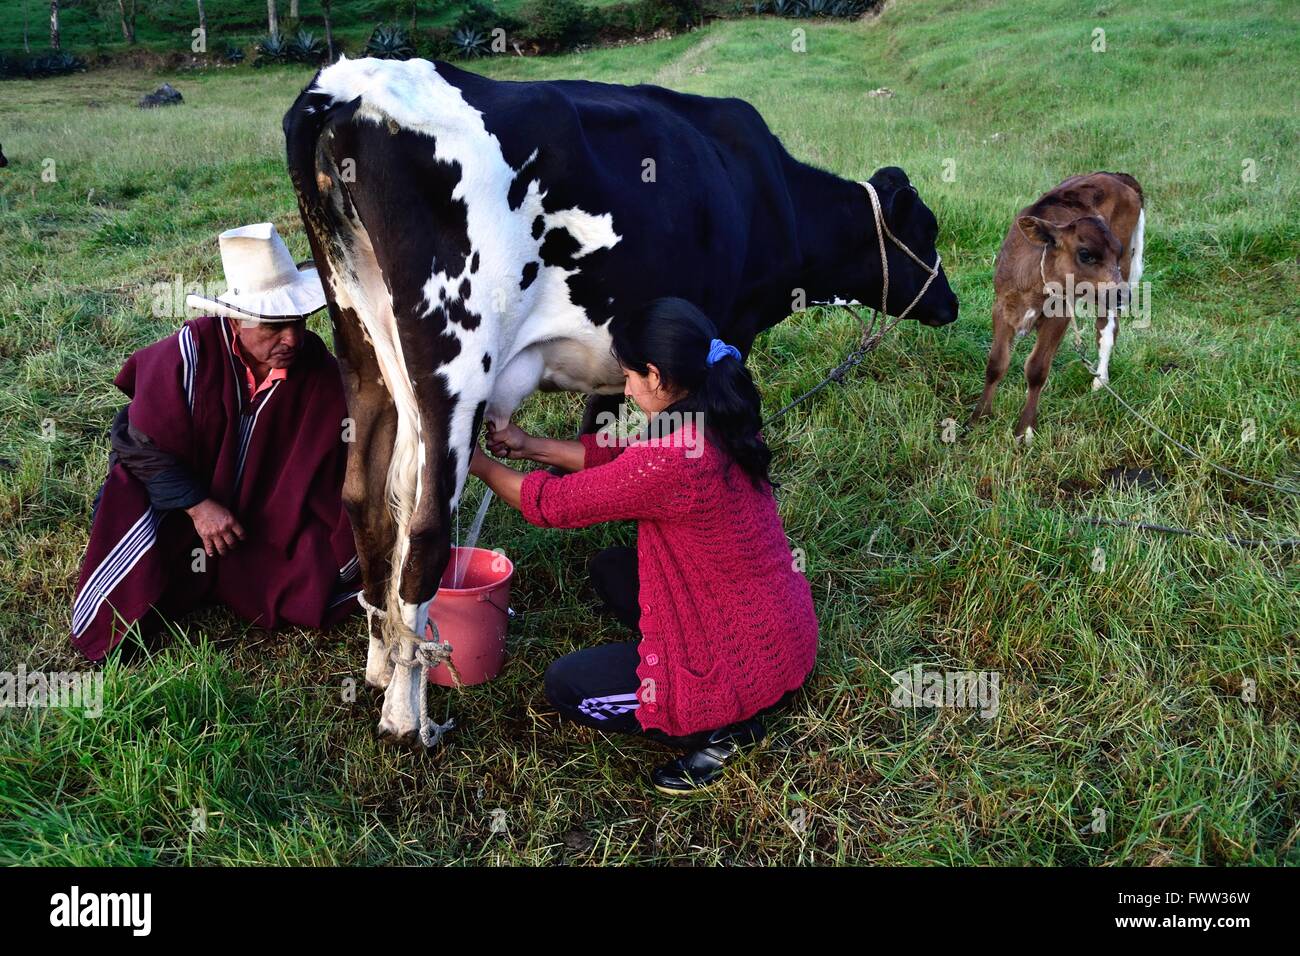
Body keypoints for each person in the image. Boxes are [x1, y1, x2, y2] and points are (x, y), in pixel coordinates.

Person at [468, 297, 818, 795]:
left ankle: (720, 729)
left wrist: (478, 464)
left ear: (655, 376)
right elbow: (623, 459)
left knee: (567, 686)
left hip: (739, 668)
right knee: (612, 569)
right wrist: (531, 445)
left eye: (629, 377)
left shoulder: (677, 460)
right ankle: (732, 687)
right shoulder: (716, 410)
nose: (627, 388)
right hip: (782, 630)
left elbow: (550, 503)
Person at [71, 223, 359, 662]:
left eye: (298, 323)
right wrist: (199, 506)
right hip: (183, 506)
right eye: (274, 326)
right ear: (235, 321)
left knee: (325, 569)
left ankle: (234, 576)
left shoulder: (316, 369)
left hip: (264, 519)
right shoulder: (189, 355)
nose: (292, 339)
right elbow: (134, 439)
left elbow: (338, 455)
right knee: (126, 495)